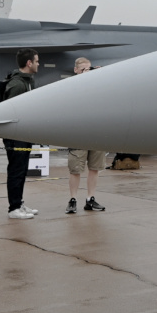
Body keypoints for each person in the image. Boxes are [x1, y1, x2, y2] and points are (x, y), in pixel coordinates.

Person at [64, 57, 107, 214]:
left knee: (95, 168)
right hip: (78, 134)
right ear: (75, 70)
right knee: (75, 169)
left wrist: (102, 75)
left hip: (96, 132)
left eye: (88, 69)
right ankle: (73, 199)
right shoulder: (70, 86)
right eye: (82, 69)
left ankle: (90, 198)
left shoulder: (99, 86)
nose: (85, 72)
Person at [3, 49, 39, 219]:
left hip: (24, 135)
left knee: (22, 169)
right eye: (37, 61)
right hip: (15, 136)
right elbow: (12, 111)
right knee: (16, 170)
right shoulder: (17, 84)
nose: (39, 64)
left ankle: (19, 202)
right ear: (29, 63)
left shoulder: (28, 81)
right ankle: (13, 208)